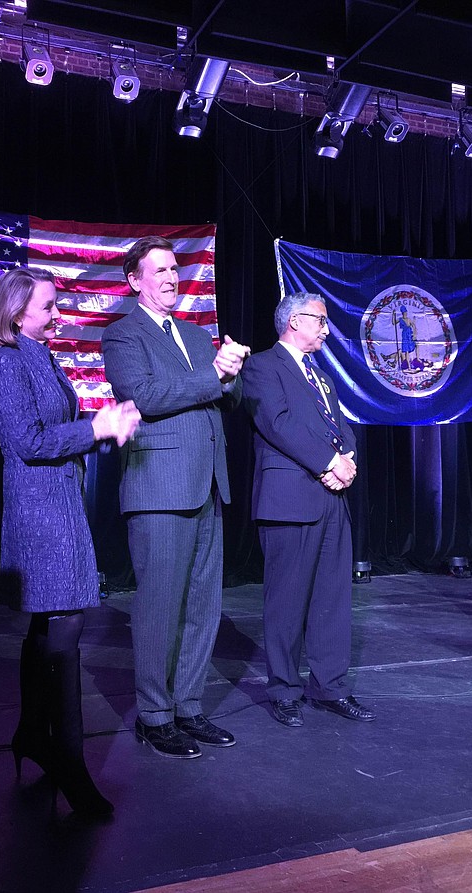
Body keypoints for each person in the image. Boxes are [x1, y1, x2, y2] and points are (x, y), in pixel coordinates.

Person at [0, 267, 140, 818]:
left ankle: (32, 734)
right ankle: (69, 763)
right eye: (49, 307)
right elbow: (25, 442)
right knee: (65, 623)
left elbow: (58, 433)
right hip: (39, 509)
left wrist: (104, 430)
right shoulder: (7, 364)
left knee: (48, 623)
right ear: (17, 312)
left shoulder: (43, 358)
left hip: (59, 501)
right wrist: (94, 430)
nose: (58, 315)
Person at [101, 236, 250, 759]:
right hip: (160, 485)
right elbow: (145, 396)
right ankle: (154, 715)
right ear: (135, 280)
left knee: (203, 606)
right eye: (159, 270)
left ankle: (188, 706)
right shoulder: (123, 336)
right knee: (160, 607)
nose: (170, 277)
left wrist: (231, 370)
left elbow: (224, 399)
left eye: (174, 268)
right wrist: (212, 376)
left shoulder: (195, 333)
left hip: (207, 483)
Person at [241, 291, 376, 728]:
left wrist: (346, 461)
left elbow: (339, 425)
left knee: (332, 600)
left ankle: (330, 687)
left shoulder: (321, 375)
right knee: (287, 601)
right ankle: (284, 689)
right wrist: (327, 462)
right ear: (294, 321)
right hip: (289, 499)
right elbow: (277, 424)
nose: (326, 328)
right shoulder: (263, 366)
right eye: (320, 320)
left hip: (331, 498)